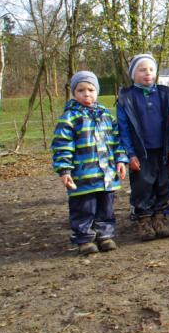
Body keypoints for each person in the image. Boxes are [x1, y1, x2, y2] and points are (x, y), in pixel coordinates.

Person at [51, 71, 128, 255]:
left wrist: (120, 160)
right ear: (74, 93)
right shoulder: (70, 118)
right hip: (83, 175)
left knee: (106, 207)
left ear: (97, 91)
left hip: (106, 175)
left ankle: (104, 235)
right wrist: (64, 170)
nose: (86, 94)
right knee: (83, 208)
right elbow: (62, 145)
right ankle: (84, 239)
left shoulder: (106, 116)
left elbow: (117, 140)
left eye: (91, 90)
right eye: (81, 90)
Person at [117, 54, 169, 241]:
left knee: (164, 183)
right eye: (142, 70)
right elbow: (124, 128)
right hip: (141, 151)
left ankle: (159, 216)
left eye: (151, 69)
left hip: (162, 149)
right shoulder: (127, 97)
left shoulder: (165, 94)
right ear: (132, 74)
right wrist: (130, 153)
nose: (147, 73)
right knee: (143, 185)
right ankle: (143, 218)